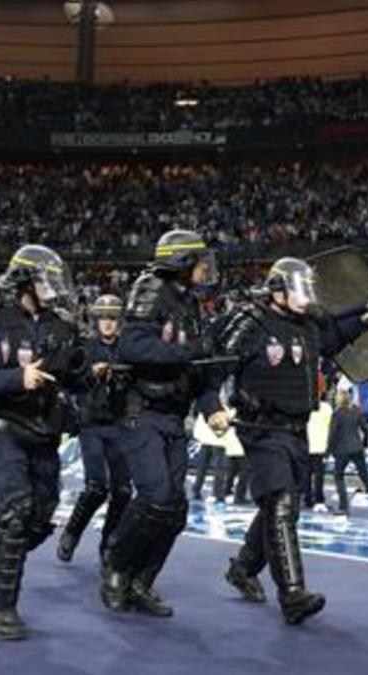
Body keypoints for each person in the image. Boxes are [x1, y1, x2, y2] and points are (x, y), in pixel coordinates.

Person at [214, 256, 368, 625]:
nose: (306, 295)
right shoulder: (252, 321)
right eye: (298, 288)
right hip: (260, 428)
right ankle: (293, 594)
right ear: (277, 290)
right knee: (281, 504)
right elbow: (216, 362)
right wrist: (211, 405)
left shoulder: (309, 325)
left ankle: (243, 569)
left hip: (296, 430)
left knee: (277, 506)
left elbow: (333, 339)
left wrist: (364, 321)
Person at [0, 244, 85, 640]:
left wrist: (88, 370)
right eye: (45, 279)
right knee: (16, 511)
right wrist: (17, 379)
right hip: (4, 428)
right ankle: (2, 608)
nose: (53, 287)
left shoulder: (62, 325)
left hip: (45, 433)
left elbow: (74, 376)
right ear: (24, 281)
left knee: (39, 519)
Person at [100, 229, 224, 617]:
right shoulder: (150, 288)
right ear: (183, 262)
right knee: (155, 497)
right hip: (142, 411)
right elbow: (132, 347)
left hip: (174, 417)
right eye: (200, 261)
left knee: (176, 510)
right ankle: (116, 566)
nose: (206, 269)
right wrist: (187, 352)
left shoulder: (192, 305)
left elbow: (199, 368)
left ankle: (141, 582)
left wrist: (213, 407)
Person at [57, 295, 133, 568]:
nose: (108, 323)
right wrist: (90, 373)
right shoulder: (85, 348)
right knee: (95, 487)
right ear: (95, 320)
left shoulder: (130, 349)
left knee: (124, 491)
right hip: (91, 424)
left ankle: (109, 544)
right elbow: (69, 381)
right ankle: (72, 532)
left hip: (121, 425)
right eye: (103, 318)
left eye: (112, 318)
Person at [327, 390, 368, 515]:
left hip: (342, 450)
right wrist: (364, 444)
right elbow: (366, 430)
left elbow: (332, 434)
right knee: (365, 478)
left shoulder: (337, 414)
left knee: (338, 476)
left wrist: (328, 450)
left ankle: (343, 506)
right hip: (357, 448)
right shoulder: (355, 411)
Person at [304, 398, 332, 510]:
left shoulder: (305, 405)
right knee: (319, 475)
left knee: (306, 473)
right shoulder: (326, 408)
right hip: (320, 445)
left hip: (307, 443)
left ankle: (307, 498)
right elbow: (331, 426)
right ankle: (318, 498)